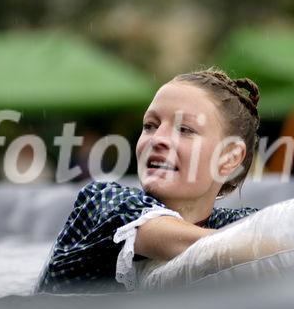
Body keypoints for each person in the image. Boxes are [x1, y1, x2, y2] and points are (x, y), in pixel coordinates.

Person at [35, 68, 261, 294]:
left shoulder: (231, 224)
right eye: (150, 126)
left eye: (184, 129)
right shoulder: (103, 202)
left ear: (229, 157)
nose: (158, 139)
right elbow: (174, 239)